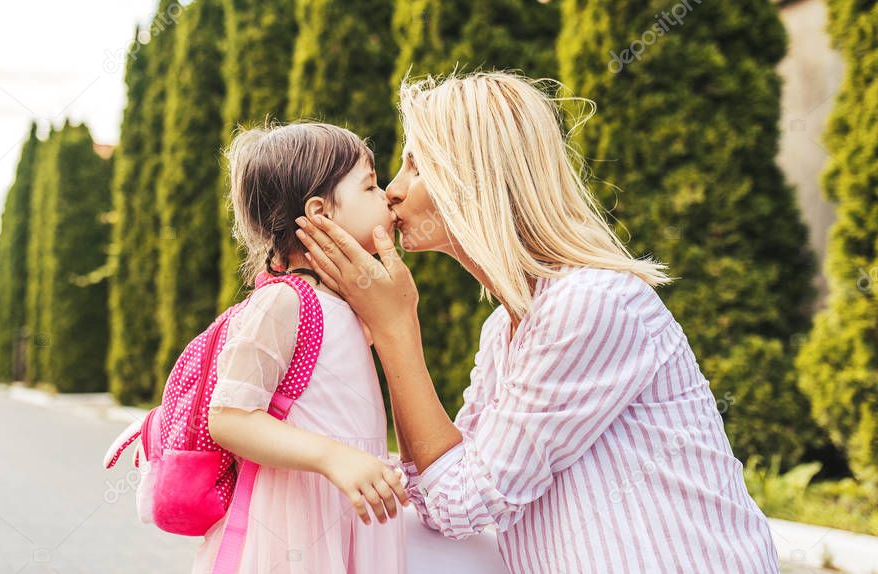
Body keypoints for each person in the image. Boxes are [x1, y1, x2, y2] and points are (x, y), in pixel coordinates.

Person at [294, 72, 781, 573]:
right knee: (357, 531)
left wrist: (397, 330)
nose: (393, 192)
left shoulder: (591, 303)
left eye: (416, 166)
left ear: (473, 178)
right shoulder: (504, 330)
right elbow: (444, 497)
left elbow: (464, 503)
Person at [193, 122, 408, 573]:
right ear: (320, 213)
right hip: (295, 533)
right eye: (369, 186)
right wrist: (335, 457)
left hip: (347, 517)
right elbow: (229, 418)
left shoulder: (348, 306)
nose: (387, 195)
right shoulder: (284, 302)